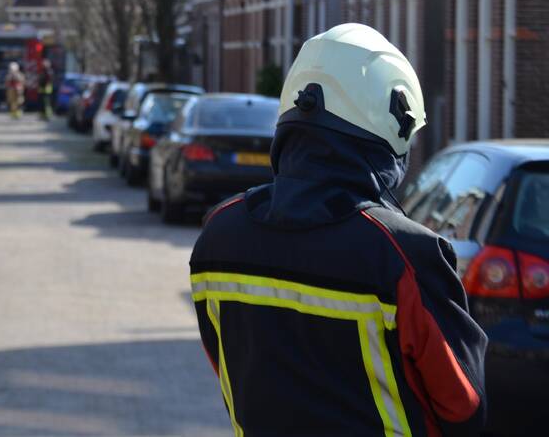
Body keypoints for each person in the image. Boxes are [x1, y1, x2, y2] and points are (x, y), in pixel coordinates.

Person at [190, 23, 487, 437]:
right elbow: (462, 405)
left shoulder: (218, 237)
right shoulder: (403, 255)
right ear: (390, 123)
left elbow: (227, 365)